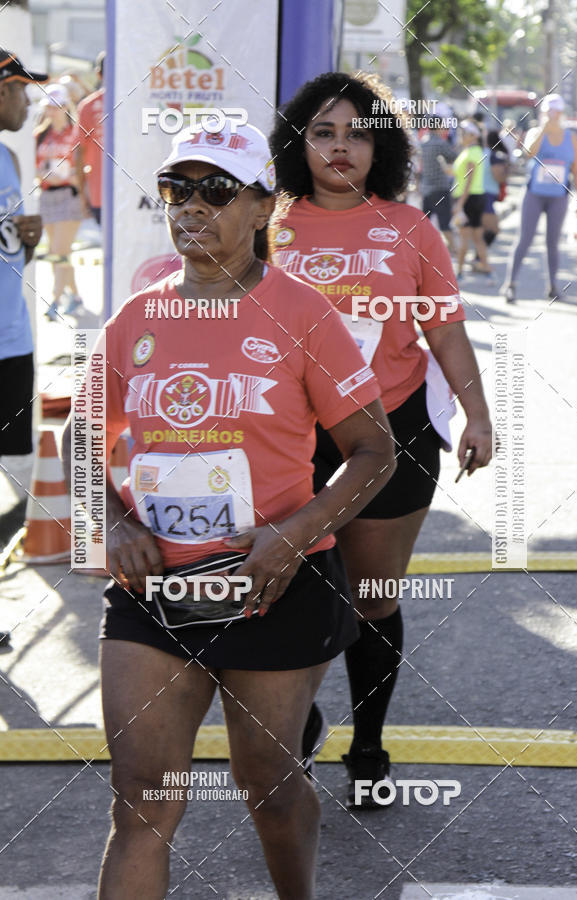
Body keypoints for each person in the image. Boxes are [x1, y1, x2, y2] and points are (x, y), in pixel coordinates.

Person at [60, 122, 396, 899]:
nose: (192, 207)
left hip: (272, 588)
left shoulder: (305, 315)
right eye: (178, 189)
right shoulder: (136, 319)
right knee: (142, 800)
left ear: (264, 208)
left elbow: (375, 450)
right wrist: (112, 524)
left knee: (268, 787)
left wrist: (295, 532)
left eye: (217, 190)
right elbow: (81, 439)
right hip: (155, 596)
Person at [269, 72, 493, 808]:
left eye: (357, 134)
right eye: (324, 132)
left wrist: (477, 413)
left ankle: (368, 746)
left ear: (381, 146)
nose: (340, 148)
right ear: (298, 142)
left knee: (370, 598)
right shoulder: (265, 223)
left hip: (391, 433)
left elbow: (446, 329)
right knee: (286, 593)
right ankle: (296, 733)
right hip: (287, 439)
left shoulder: (410, 229)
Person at [0, 50, 47, 458]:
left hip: (13, 342)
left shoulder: (9, 158)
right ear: (1, 91)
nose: (29, 104)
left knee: (8, 457)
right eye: (22, 92)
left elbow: (14, 258)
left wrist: (29, 241)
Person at [502, 93, 577, 303]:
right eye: (549, 111)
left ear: (562, 113)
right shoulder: (535, 132)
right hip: (534, 194)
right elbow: (529, 152)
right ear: (543, 112)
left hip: (558, 196)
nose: (552, 115)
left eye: (556, 111)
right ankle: (510, 284)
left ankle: (553, 286)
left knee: (552, 241)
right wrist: (543, 130)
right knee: (525, 238)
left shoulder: (571, 137)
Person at [34, 82, 84, 319]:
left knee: (59, 251)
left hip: (69, 196)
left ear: (65, 107)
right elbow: (34, 165)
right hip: (46, 196)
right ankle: (74, 295)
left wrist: (75, 176)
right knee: (58, 252)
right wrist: (43, 175)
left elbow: (84, 164)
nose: (51, 111)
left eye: (55, 106)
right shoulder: (40, 135)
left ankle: (54, 300)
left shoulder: (77, 133)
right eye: (48, 107)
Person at [451, 119, 492, 277]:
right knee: (476, 236)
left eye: (464, 133)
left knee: (465, 237)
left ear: (473, 135)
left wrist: (460, 204)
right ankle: (486, 267)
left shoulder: (471, 152)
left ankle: (459, 271)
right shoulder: (472, 151)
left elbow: (468, 180)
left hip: (468, 199)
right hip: (475, 197)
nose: (461, 135)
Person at [419, 116, 457, 254]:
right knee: (445, 223)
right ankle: (455, 250)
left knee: (425, 223)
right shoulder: (440, 143)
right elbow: (454, 157)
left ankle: (423, 251)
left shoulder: (423, 142)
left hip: (426, 188)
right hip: (440, 188)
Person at [75, 51, 105, 226]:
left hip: (98, 192)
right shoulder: (137, 103)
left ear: (98, 73)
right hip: (135, 194)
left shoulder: (88, 106)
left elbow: (79, 152)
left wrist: (81, 193)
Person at [481, 130, 509, 250]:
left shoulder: (482, 153)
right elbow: (498, 177)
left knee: (481, 230)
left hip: (482, 194)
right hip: (486, 195)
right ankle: (479, 258)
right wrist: (508, 171)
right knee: (493, 228)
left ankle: (480, 259)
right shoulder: (494, 156)